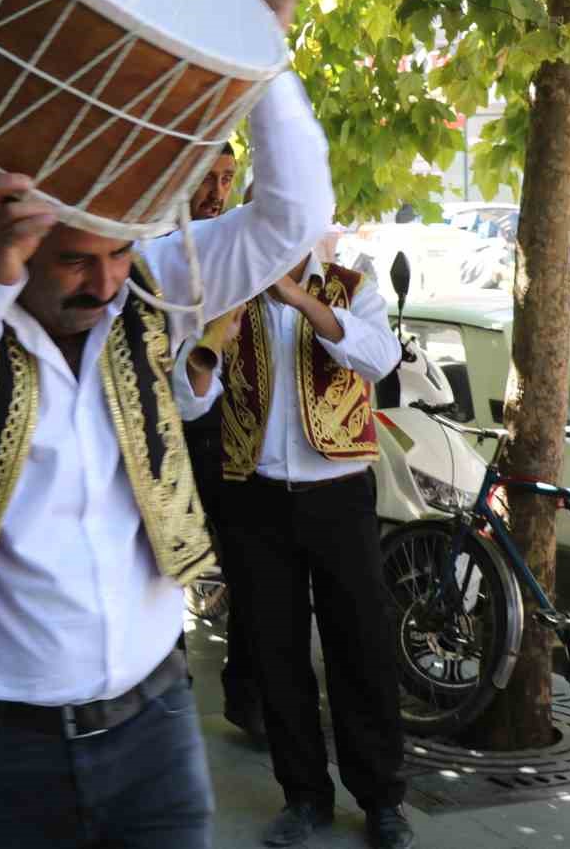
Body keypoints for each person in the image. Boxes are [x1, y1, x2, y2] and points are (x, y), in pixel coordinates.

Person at [0, 0, 332, 849]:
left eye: (119, 253)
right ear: (23, 243)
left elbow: (294, 217)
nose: (108, 282)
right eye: (78, 260)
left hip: (154, 731)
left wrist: (263, 49)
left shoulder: (152, 286)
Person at [176, 229, 411, 849]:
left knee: (360, 646)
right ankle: (303, 794)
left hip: (338, 495)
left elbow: (380, 360)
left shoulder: (352, 287)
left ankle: (382, 799)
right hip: (254, 497)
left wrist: (304, 302)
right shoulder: (229, 296)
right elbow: (191, 402)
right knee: (276, 654)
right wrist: (206, 353)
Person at [176, 143, 265, 740]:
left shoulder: (240, 246)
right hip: (169, 427)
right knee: (163, 566)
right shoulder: (157, 250)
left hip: (236, 428)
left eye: (226, 178)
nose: (216, 191)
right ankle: (168, 702)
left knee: (254, 570)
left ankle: (251, 700)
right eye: (206, 179)